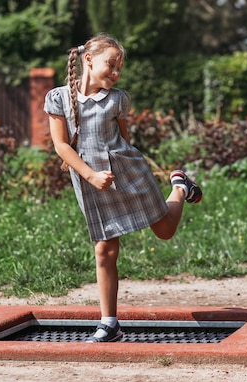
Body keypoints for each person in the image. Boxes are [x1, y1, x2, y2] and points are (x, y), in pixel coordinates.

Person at [44, 34, 202, 343]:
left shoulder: (118, 99)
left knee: (165, 231)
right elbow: (61, 146)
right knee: (105, 248)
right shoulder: (58, 98)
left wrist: (128, 175)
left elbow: (125, 142)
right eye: (111, 65)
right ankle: (110, 323)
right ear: (89, 60)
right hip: (91, 181)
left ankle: (179, 187)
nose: (115, 74)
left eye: (119, 69)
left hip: (127, 172)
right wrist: (90, 176)